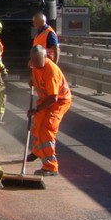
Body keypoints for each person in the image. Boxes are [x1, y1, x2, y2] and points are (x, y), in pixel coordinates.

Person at [28, 44, 72, 176]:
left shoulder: (51, 71)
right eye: (33, 61)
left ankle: (50, 166)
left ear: (45, 57)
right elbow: (37, 75)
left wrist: (36, 109)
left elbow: (53, 98)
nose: (35, 64)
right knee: (37, 124)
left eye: (37, 61)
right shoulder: (35, 64)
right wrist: (33, 82)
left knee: (47, 129)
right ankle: (37, 152)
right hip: (46, 98)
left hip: (59, 101)